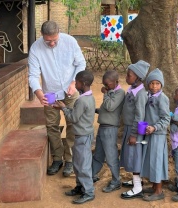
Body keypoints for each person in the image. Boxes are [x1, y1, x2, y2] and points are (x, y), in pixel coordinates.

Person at [28, 20, 86, 176]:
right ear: (42, 35)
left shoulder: (70, 42)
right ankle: (57, 158)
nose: (52, 43)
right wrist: (39, 93)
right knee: (52, 126)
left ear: (59, 33)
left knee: (72, 124)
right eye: (48, 41)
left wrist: (74, 82)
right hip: (50, 94)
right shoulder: (35, 48)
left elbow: (81, 64)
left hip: (70, 91)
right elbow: (33, 75)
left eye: (54, 40)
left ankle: (70, 160)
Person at [54, 70, 95, 204]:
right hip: (82, 135)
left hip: (83, 137)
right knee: (78, 164)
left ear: (82, 83)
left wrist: (64, 108)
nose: (74, 84)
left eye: (76, 82)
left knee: (83, 166)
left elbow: (73, 118)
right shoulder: (89, 97)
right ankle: (80, 187)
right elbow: (78, 114)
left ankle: (89, 192)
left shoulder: (82, 100)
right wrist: (64, 107)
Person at [120, 60, 150, 199]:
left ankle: (137, 187)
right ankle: (135, 180)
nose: (126, 77)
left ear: (138, 77)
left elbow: (139, 116)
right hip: (129, 128)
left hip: (135, 131)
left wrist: (133, 134)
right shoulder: (132, 89)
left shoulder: (141, 93)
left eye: (129, 75)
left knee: (134, 157)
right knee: (130, 156)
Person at [92, 70, 125, 192]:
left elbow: (110, 106)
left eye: (108, 84)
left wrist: (106, 93)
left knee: (111, 156)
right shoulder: (111, 91)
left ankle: (116, 181)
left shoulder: (120, 92)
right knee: (98, 155)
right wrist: (95, 110)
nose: (105, 86)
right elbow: (105, 109)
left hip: (110, 129)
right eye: (104, 84)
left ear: (116, 82)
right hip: (103, 128)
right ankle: (91, 175)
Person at [140, 68, 171, 201]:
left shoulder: (162, 98)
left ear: (161, 85)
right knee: (150, 161)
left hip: (157, 136)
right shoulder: (148, 96)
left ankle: (159, 191)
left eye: (157, 84)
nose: (154, 86)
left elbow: (166, 119)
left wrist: (155, 127)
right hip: (149, 134)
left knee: (157, 162)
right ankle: (154, 186)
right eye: (152, 83)